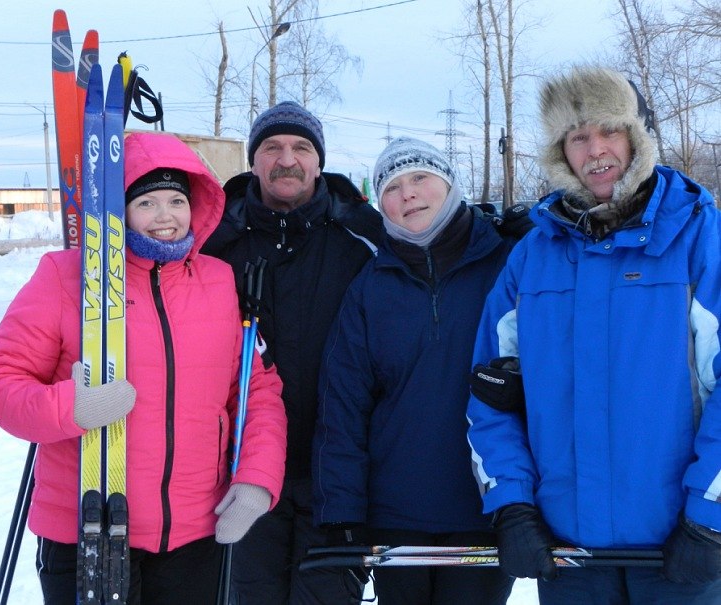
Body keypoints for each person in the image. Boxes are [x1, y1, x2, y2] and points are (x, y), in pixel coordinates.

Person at [0, 132, 287, 605]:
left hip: (194, 535)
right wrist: (70, 407)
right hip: (89, 530)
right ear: (117, 212)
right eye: (146, 203)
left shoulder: (218, 281)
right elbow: (0, 383)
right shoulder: (65, 277)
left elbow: (255, 390)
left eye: (177, 201)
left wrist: (256, 478)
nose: (166, 217)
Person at [466, 65, 721, 604]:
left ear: (638, 137)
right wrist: (511, 504)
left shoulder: (700, 238)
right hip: (571, 558)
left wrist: (710, 514)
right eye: (578, 136)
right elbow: (491, 393)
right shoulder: (532, 258)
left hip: (683, 551)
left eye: (610, 130)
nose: (596, 149)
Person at [312, 137, 517, 604]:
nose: (407, 193)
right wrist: (342, 513)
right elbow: (343, 404)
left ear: (451, 183)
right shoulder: (370, 286)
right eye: (392, 187)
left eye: (420, 177)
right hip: (396, 516)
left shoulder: (508, 263)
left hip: (490, 506)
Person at [201, 100, 383, 604]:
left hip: (337, 472)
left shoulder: (365, 238)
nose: (287, 159)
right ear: (253, 161)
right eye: (272, 147)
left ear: (319, 162)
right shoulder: (214, 241)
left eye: (301, 147)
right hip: (239, 470)